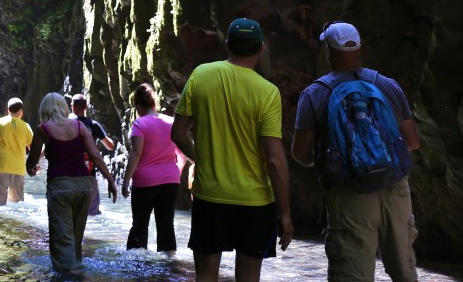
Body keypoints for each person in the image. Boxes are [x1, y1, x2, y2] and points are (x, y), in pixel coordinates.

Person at [291, 22, 420, 282]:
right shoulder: (388, 86)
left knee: (352, 274)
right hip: (395, 188)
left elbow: (300, 153)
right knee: (404, 272)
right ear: (359, 48)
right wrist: (381, 159)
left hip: (349, 194)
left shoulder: (315, 94)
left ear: (328, 51)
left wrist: (341, 160)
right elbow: (413, 141)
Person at [171, 17, 293, 282]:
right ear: (260, 49)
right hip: (256, 202)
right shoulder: (268, 92)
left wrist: (203, 159)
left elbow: (178, 134)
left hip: (210, 197)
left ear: (227, 45)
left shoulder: (202, 75)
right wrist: (285, 212)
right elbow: (274, 159)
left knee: (205, 275)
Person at [27, 91, 117, 275]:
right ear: (64, 107)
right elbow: (96, 155)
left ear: (44, 109)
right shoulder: (79, 126)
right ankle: (77, 268)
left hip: (60, 187)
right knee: (76, 236)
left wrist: (31, 168)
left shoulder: (42, 129)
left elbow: (32, 161)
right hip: (84, 186)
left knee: (63, 237)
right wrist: (111, 181)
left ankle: (70, 274)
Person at [122, 82, 187, 253]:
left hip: (145, 182)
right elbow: (183, 154)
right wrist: (176, 172)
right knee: (166, 225)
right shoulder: (172, 122)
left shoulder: (140, 124)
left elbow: (136, 152)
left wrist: (126, 181)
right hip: (171, 181)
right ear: (154, 103)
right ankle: (169, 267)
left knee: (140, 225)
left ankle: (136, 267)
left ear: (138, 106)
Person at [70, 93, 117, 216]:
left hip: (68, 174)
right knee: (91, 212)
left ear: (72, 107)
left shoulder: (65, 124)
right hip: (88, 173)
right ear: (86, 107)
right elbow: (110, 146)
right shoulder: (93, 125)